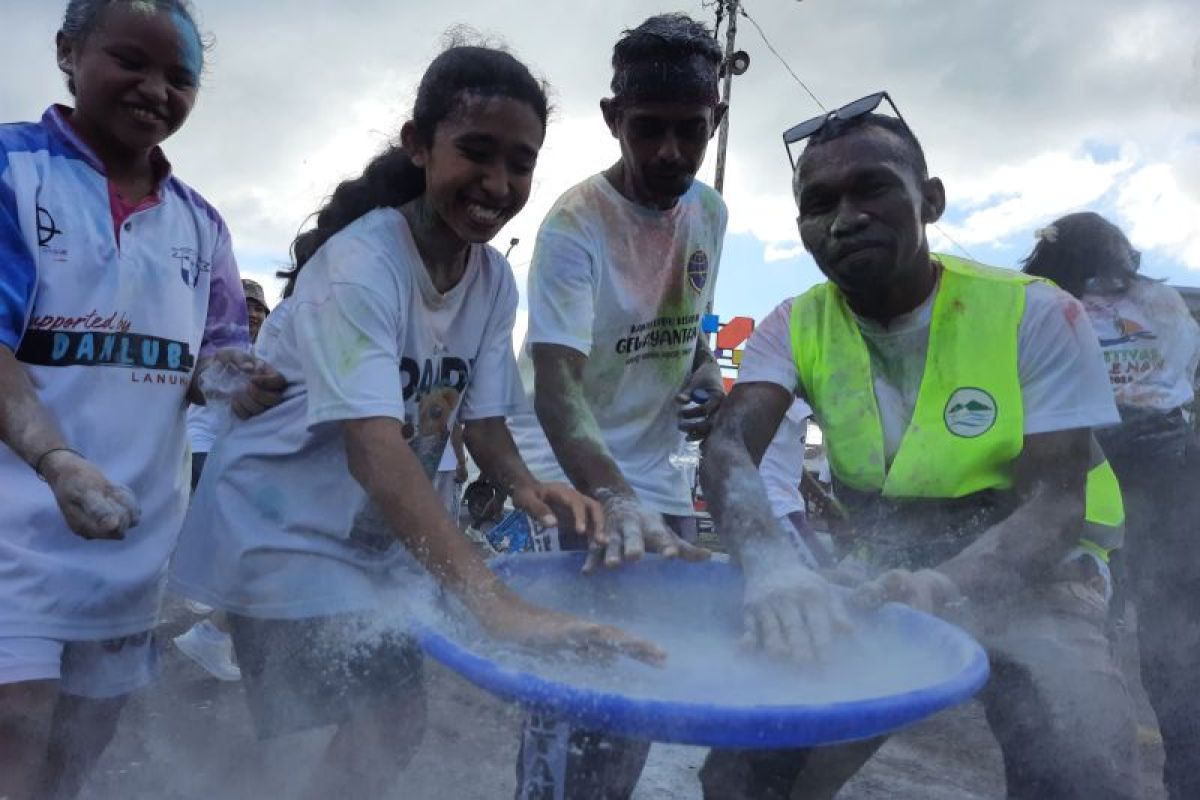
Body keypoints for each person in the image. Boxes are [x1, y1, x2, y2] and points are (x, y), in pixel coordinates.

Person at [168, 44, 661, 800]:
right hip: (278, 533)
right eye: (476, 152)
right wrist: (491, 601)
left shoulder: (492, 277)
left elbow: (482, 421)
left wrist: (532, 489)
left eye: (521, 164)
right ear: (418, 145)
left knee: (390, 728)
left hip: (367, 542)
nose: (498, 185)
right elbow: (373, 446)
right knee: (315, 737)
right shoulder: (361, 264)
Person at [699, 99, 1141, 799]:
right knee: (750, 766)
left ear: (929, 200)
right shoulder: (795, 325)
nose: (845, 218)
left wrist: (945, 585)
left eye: (872, 187)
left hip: (1039, 572)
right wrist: (771, 567)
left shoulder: (1035, 310)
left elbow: (1057, 501)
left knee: (1078, 763)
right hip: (888, 566)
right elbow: (728, 451)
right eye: (819, 204)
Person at [0, 3, 290, 798]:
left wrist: (241, 381)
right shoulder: (11, 170)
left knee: (77, 753)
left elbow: (216, 355)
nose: (155, 90)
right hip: (13, 534)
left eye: (180, 77)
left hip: (132, 544)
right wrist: (55, 460)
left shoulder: (202, 224)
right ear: (67, 52)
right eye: (132, 61)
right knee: (15, 732)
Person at [504, 14, 727, 798]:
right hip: (568, 461)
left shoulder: (710, 213)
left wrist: (704, 375)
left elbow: (680, 333)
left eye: (690, 132)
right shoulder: (574, 226)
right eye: (648, 130)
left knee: (644, 673)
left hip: (657, 473)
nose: (670, 152)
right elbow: (557, 387)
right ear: (612, 120)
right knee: (574, 677)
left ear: (715, 122)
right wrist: (613, 499)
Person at [1024, 211, 1200, 799]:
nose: (1124, 282)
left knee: (1177, 650)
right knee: (1073, 637)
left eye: (1128, 270)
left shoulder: (1164, 306)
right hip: (1083, 484)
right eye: (1109, 270)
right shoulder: (1036, 309)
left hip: (1169, 491)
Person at [173, 277, 275, 683]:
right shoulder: (215, 345)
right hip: (206, 446)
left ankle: (210, 622)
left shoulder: (265, 349)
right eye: (246, 305)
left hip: (233, 450)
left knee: (238, 536)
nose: (252, 312)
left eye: (258, 307)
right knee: (240, 538)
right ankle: (209, 624)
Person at [759, 398, 832, 568]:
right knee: (823, 572)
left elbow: (789, 462)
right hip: (779, 507)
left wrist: (822, 497)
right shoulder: (789, 393)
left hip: (777, 504)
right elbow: (837, 422)